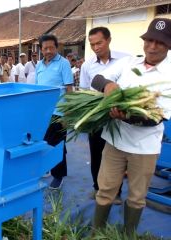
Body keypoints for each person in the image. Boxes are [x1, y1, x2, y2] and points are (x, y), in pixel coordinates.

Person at [91, 18, 171, 235]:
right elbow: (96, 78)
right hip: (115, 141)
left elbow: (156, 118)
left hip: (144, 148)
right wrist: (107, 85)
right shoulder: (129, 63)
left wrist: (124, 116)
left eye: (160, 43)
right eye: (149, 40)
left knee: (136, 197)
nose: (152, 46)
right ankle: (96, 233)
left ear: (169, 44)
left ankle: (127, 235)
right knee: (106, 189)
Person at [79, 27, 129, 204]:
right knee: (97, 153)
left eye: (99, 43)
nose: (95, 47)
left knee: (117, 155)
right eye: (92, 44)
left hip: (119, 116)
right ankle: (97, 188)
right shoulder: (87, 65)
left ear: (108, 40)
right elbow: (84, 90)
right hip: (97, 116)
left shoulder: (125, 59)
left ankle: (116, 192)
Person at [35, 34, 73, 189]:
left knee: (56, 145)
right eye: (45, 48)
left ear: (57, 47)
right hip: (43, 113)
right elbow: (37, 89)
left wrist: (69, 113)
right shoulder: (39, 65)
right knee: (45, 143)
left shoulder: (63, 63)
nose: (48, 50)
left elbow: (69, 89)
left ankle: (58, 175)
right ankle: (49, 168)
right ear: (41, 50)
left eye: (51, 47)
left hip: (59, 113)